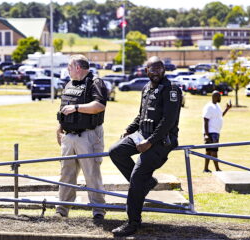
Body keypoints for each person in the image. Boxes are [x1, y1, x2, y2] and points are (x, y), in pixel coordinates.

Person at [109, 56, 182, 237]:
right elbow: (141, 116)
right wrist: (129, 130)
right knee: (115, 151)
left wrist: (149, 142)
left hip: (161, 140)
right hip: (142, 134)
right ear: (146, 70)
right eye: (152, 69)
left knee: (137, 177)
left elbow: (168, 121)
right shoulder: (146, 88)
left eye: (159, 69)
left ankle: (133, 222)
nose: (155, 72)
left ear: (163, 70)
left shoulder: (171, 90)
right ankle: (147, 183)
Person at [55, 54, 108, 220]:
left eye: (69, 67)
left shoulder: (96, 83)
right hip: (69, 136)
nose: (67, 70)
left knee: (91, 174)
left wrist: (77, 108)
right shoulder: (70, 84)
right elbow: (65, 107)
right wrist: (60, 127)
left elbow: (99, 106)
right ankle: (62, 209)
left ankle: (98, 211)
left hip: (89, 135)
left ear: (78, 67)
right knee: (66, 173)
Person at [202, 90, 232, 173]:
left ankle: (206, 169)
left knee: (208, 151)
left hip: (215, 132)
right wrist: (206, 134)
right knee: (214, 151)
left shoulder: (217, 106)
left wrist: (227, 109)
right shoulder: (209, 106)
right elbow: (205, 119)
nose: (220, 98)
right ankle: (217, 169)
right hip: (211, 132)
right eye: (219, 96)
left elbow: (220, 116)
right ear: (214, 97)